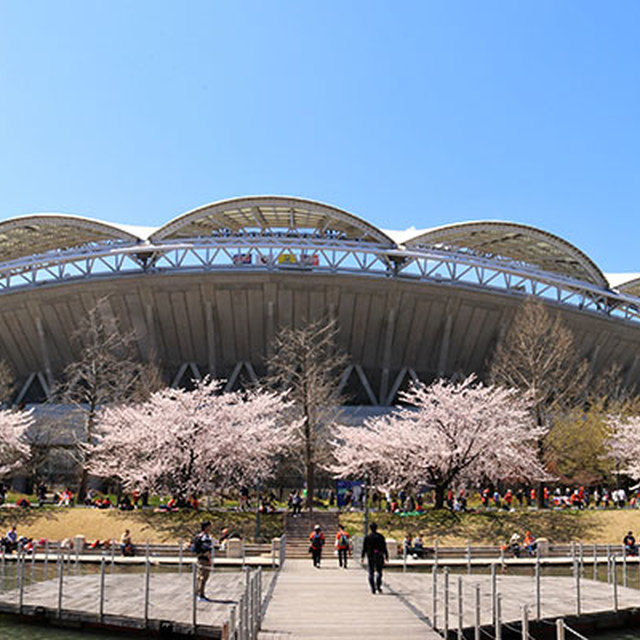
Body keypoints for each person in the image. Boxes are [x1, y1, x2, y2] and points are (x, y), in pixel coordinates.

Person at [361, 522, 388, 594]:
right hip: (379, 555)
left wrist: (362, 556)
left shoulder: (367, 537)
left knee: (371, 572)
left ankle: (373, 588)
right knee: (379, 572)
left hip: (371, 556)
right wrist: (386, 555)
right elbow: (384, 547)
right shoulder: (380, 537)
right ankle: (378, 586)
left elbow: (364, 547)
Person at [192, 521, 213, 601]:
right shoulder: (205, 537)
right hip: (204, 558)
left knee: (199, 576)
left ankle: (198, 593)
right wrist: (209, 559)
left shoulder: (199, 536)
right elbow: (206, 548)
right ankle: (200, 594)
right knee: (203, 577)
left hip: (200, 558)